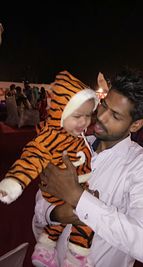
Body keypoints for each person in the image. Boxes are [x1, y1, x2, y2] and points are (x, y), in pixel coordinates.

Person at [35, 68, 143, 267]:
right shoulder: (72, 145)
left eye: (115, 115)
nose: (102, 117)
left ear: (136, 125)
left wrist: (78, 198)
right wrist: (55, 214)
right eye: (104, 105)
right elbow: (41, 201)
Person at [0, 70, 99, 267]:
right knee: (88, 222)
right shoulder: (51, 137)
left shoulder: (75, 136)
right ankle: (75, 258)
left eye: (88, 115)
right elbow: (33, 156)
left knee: (62, 224)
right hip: (61, 189)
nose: (84, 122)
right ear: (60, 113)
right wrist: (15, 181)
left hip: (72, 188)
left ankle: (44, 249)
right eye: (78, 116)